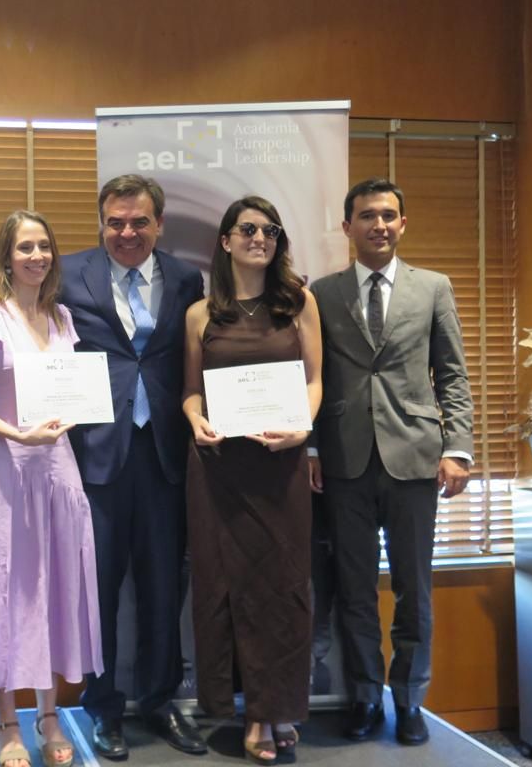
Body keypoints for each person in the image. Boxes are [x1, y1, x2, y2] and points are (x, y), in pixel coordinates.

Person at [308, 178, 473, 746]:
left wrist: (458, 449)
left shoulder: (433, 288)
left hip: (415, 461)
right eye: (367, 215)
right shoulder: (321, 294)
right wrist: (308, 446)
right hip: (343, 462)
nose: (379, 224)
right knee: (353, 590)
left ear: (403, 223)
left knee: (413, 589)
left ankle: (409, 702)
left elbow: (452, 374)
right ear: (347, 226)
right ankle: (362, 697)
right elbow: (311, 377)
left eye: (388, 215)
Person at [0, 210, 104, 767]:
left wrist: (74, 414)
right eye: (24, 248)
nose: (36, 255)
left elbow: (74, 394)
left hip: (57, 472)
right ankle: (7, 722)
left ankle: (50, 715)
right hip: (3, 470)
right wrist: (18, 432)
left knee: (53, 590)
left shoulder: (63, 318)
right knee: (5, 594)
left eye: (43, 245)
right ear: (6, 257)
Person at [63, 175, 206, 759]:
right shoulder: (68, 273)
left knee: (163, 585)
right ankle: (104, 709)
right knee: (98, 589)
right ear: (101, 223)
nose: (126, 232)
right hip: (95, 453)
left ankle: (159, 699)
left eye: (138, 222)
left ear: (159, 224)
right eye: (115, 222)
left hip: (165, 455)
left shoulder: (186, 278)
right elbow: (24, 315)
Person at [181, 196, 322, 764]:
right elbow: (191, 391)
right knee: (223, 588)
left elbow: (315, 381)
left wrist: (301, 430)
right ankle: (243, 708)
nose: (258, 238)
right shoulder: (199, 313)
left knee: (283, 588)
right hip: (218, 472)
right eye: (247, 229)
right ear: (226, 240)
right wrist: (194, 418)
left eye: (269, 230)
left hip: (279, 465)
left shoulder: (299, 303)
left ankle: (274, 709)